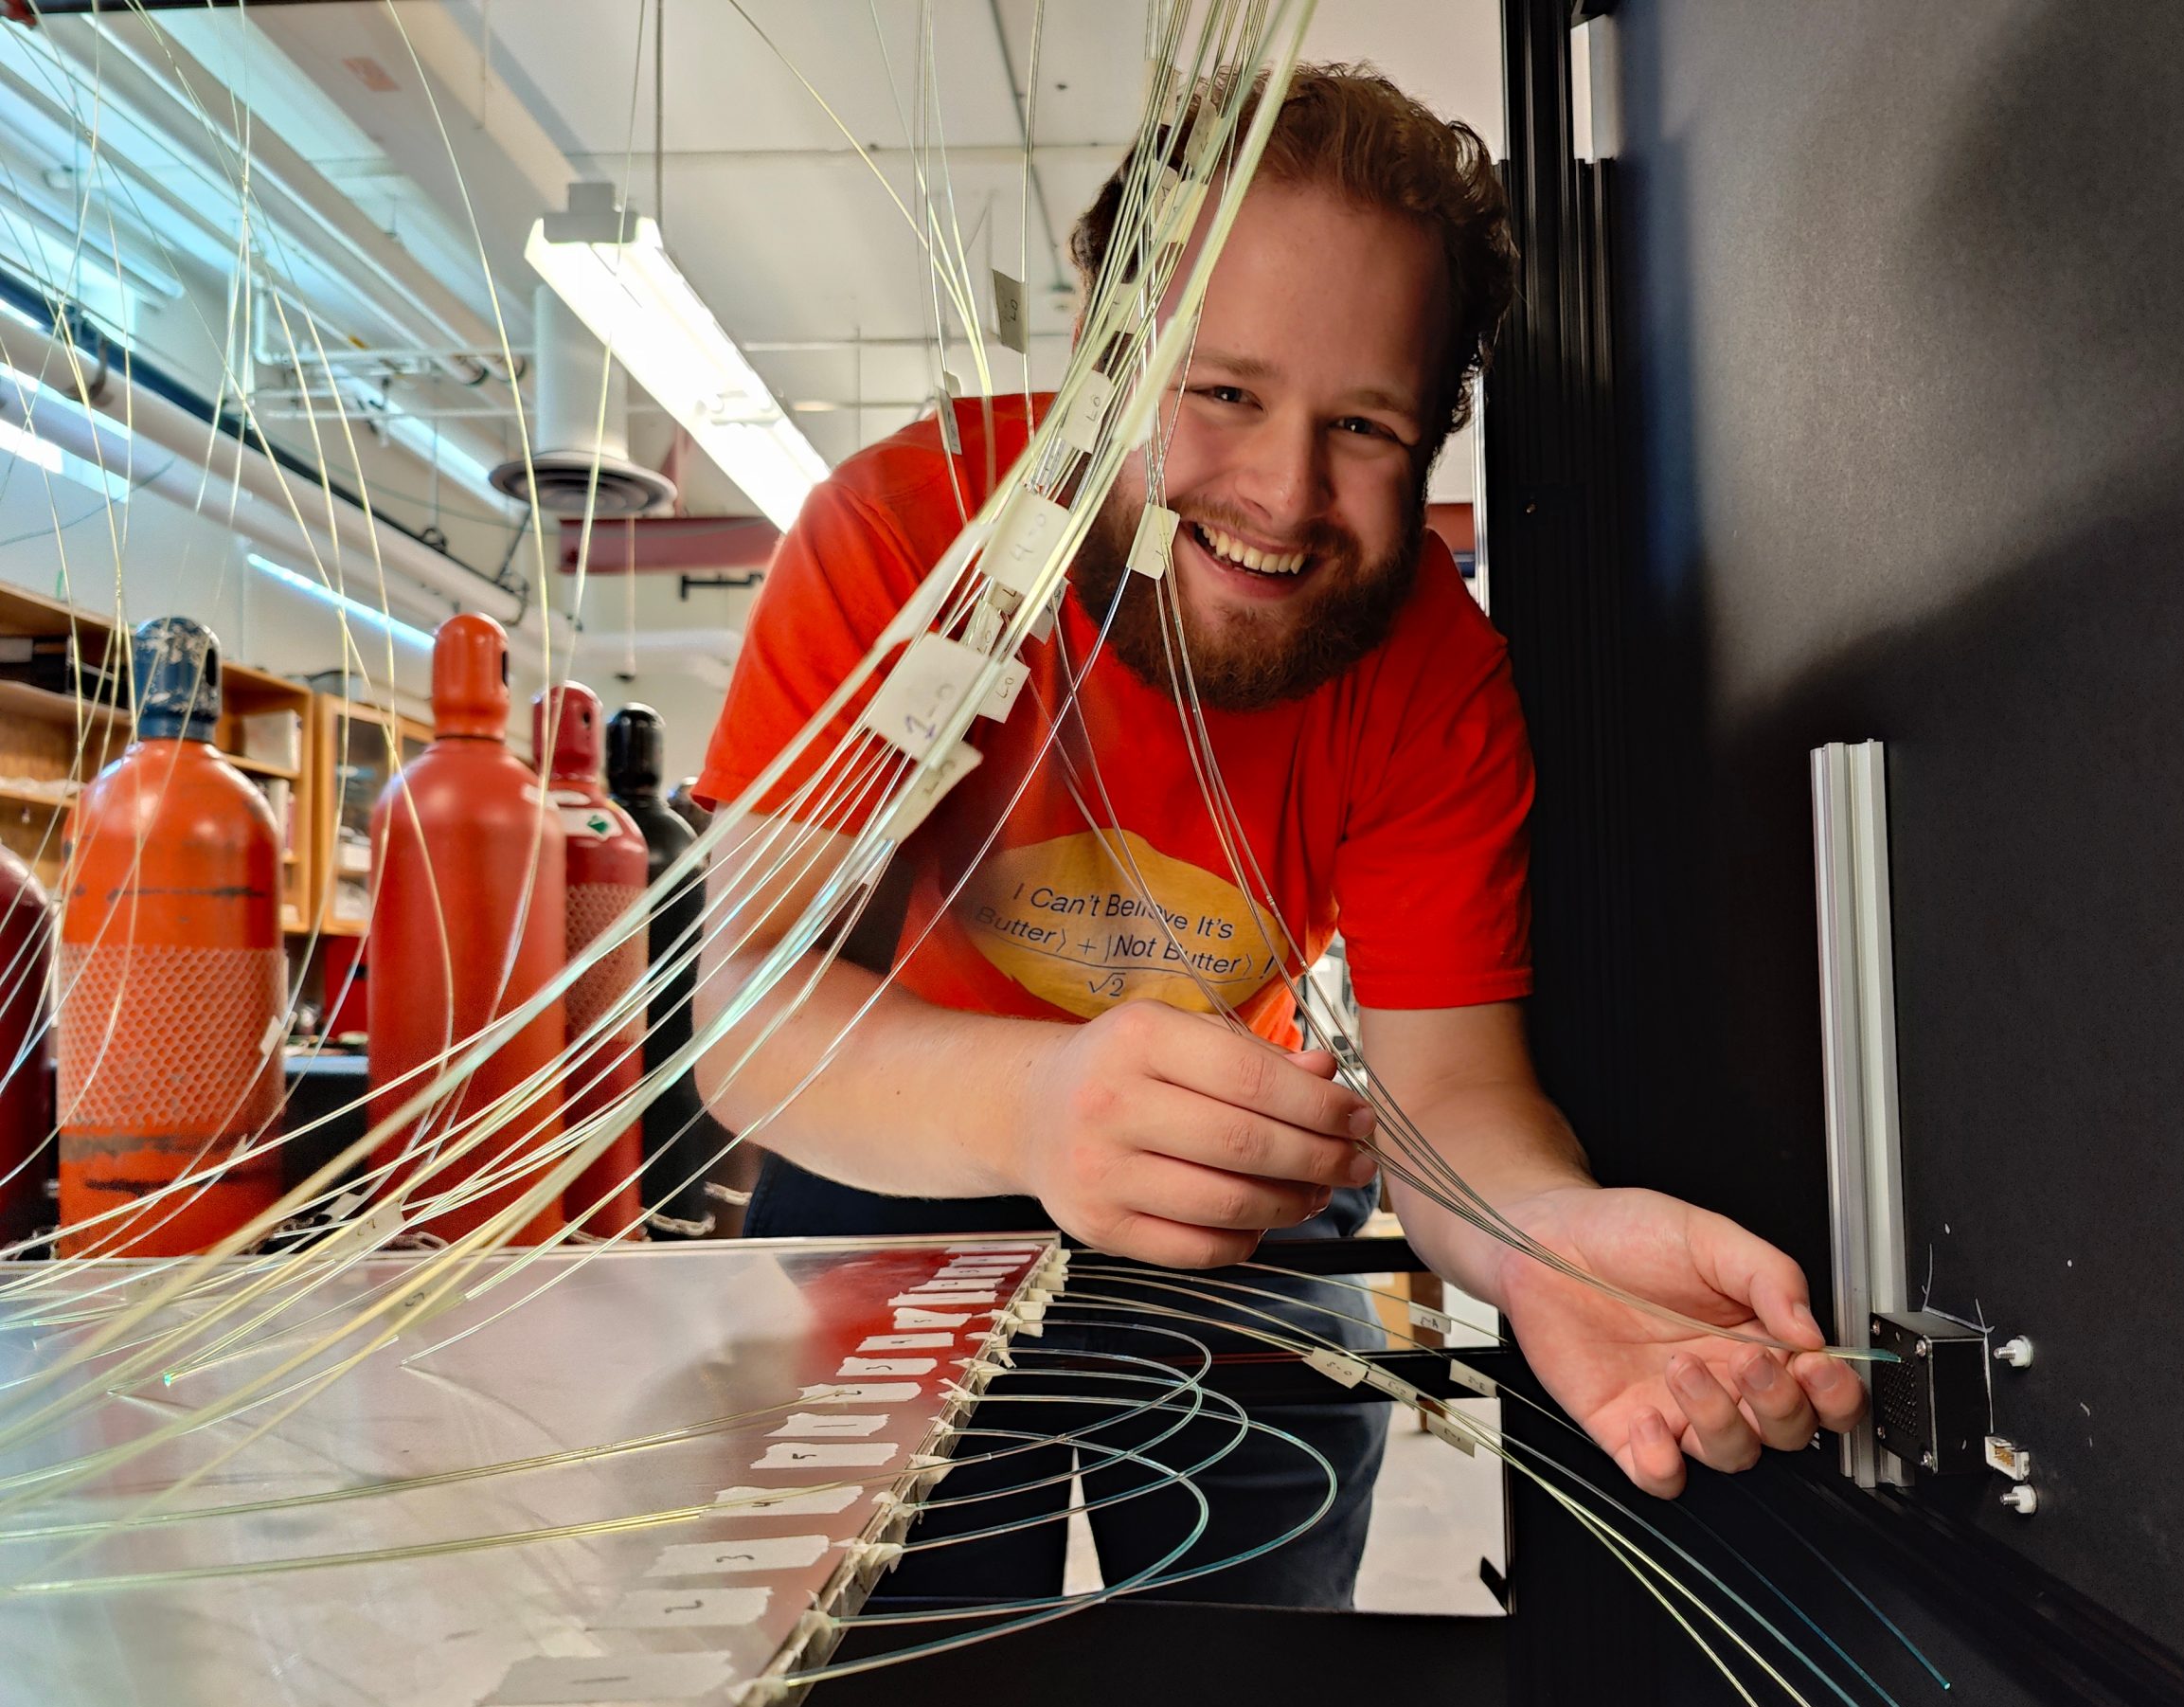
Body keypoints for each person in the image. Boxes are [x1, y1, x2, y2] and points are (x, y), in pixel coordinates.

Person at [693, 64, 1865, 1608]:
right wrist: (1041, 1103)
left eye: (1366, 425)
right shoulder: (898, 540)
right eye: (1222, 390)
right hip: (896, 1136)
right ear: (1101, 367)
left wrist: (1545, 1247)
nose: (1284, 493)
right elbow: (756, 1013)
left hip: (1226, 1180)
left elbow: (1455, 1094)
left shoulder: (1435, 673)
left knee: (1253, 1637)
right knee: (906, 1692)